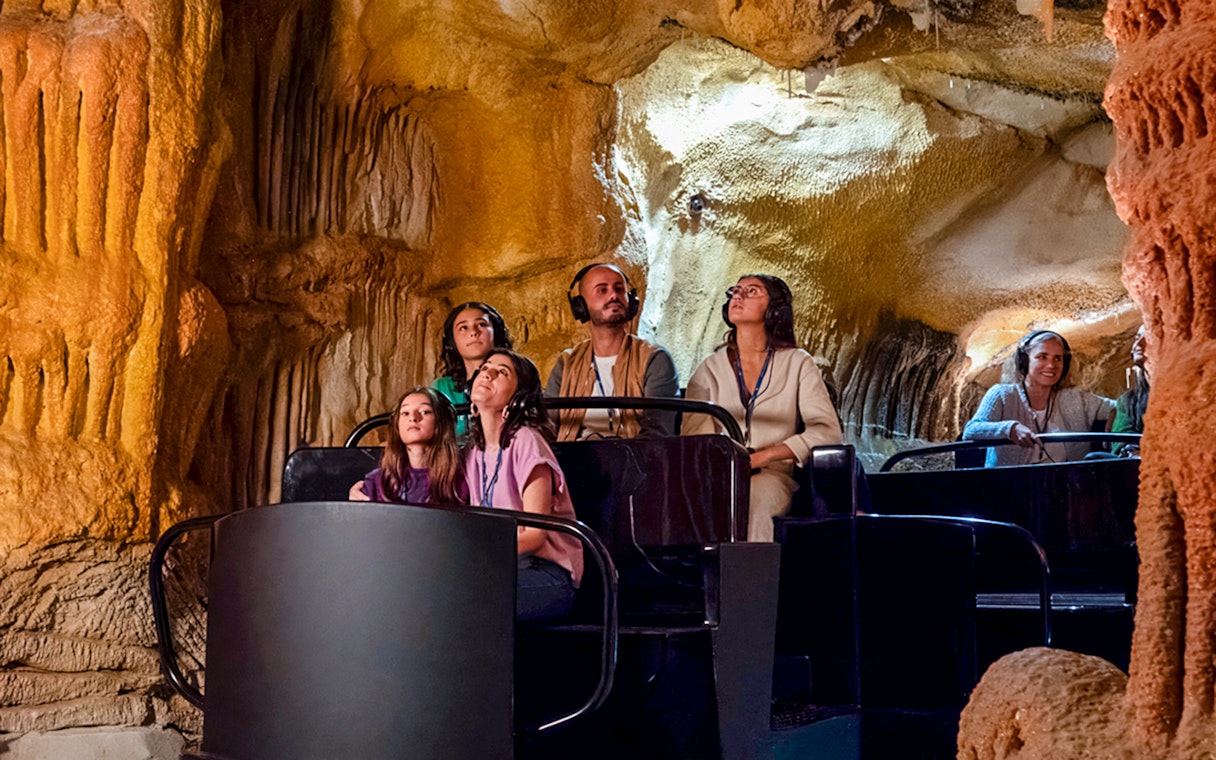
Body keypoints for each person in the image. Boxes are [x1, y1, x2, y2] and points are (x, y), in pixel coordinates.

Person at [683, 274, 843, 542]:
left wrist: (765, 456)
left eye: (752, 291)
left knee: (757, 497)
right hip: (720, 478)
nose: (738, 295)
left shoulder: (798, 363)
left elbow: (827, 432)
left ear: (775, 310)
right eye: (736, 290)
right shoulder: (708, 369)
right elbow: (693, 442)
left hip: (773, 477)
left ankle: (751, 584)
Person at [467, 349, 584, 622]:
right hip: (499, 568)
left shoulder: (527, 441)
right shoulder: (474, 453)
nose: (488, 373)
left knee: (467, 594)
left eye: (502, 372)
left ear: (518, 399)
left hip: (547, 575)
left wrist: (477, 553)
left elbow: (534, 536)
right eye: (486, 367)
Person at [545, 263, 679, 440]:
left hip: (635, 463)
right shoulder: (567, 363)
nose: (613, 295)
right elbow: (546, 426)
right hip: (571, 463)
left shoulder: (654, 359)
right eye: (602, 290)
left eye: (619, 289)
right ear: (581, 306)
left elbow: (657, 433)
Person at [963, 330, 1115, 467]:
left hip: (1065, 488)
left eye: (1058, 359)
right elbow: (971, 430)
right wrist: (1010, 429)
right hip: (1010, 488)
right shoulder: (1002, 395)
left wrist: (1115, 412)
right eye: (1042, 357)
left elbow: (1123, 406)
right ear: (1025, 361)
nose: (1051, 365)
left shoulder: (1075, 398)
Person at [348, 387, 468, 504]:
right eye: (405, 413)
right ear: (397, 425)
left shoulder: (462, 480)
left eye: (424, 412)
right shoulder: (378, 482)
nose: (413, 418)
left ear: (442, 422)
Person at [434, 302, 514, 437]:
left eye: (481, 324)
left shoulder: (518, 379)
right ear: (452, 340)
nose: (473, 333)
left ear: (496, 331)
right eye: (463, 327)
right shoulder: (441, 388)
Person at [1111, 325, 1149, 457]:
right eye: (1137, 338)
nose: (1139, 343)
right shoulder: (1128, 400)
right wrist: (1131, 449)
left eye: (1148, 337)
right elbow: (1121, 436)